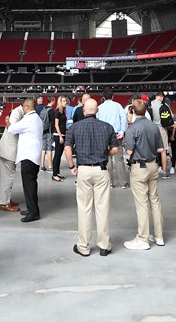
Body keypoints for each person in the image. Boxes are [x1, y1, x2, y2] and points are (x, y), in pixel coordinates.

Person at [64, 98, 119, 257]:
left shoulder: (75, 127)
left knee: (84, 209)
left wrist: (72, 167)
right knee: (102, 209)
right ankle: (104, 245)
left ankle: (83, 246)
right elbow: (115, 149)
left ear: (83, 110)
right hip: (101, 170)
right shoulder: (107, 127)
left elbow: (68, 149)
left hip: (83, 170)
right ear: (97, 111)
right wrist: (104, 154)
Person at [123, 99, 166, 250]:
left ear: (133, 111)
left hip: (139, 167)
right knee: (154, 200)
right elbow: (161, 149)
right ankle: (159, 236)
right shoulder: (154, 126)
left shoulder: (132, 128)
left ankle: (143, 238)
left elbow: (128, 151)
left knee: (142, 203)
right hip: (153, 165)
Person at [8, 98, 44, 222]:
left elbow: (12, 129)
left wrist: (8, 121)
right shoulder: (36, 119)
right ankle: (31, 208)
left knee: (29, 186)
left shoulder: (29, 119)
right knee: (31, 184)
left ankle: (33, 213)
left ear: (28, 107)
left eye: (23, 107)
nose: (22, 109)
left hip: (28, 157)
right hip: (33, 156)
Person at [96, 93, 129, 189]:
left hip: (104, 134)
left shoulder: (100, 107)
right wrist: (122, 131)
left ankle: (110, 183)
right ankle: (123, 183)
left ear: (103, 97)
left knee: (107, 159)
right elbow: (123, 118)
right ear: (112, 97)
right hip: (116, 134)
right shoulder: (118, 105)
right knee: (119, 159)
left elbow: (97, 120)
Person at [0, 102, 24, 213]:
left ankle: (4, 198)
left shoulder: (16, 112)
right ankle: (4, 203)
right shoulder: (18, 113)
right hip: (9, 151)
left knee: (5, 177)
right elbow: (12, 128)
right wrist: (7, 121)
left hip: (6, 150)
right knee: (8, 178)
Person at [49, 95, 69, 182]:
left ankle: (57, 172)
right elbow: (56, 125)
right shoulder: (57, 112)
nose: (65, 102)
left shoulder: (62, 112)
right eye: (64, 101)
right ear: (60, 102)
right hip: (58, 135)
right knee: (57, 155)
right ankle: (54, 174)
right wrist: (60, 136)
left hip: (62, 134)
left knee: (59, 155)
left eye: (65, 101)